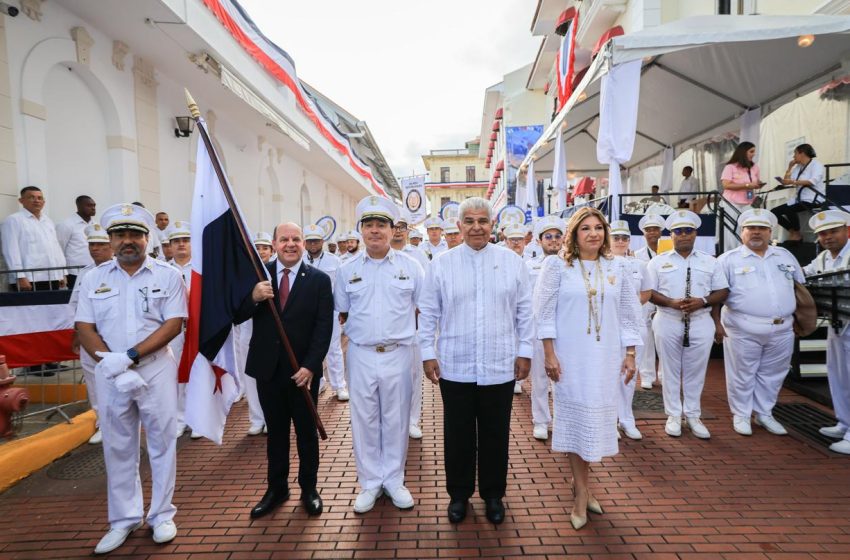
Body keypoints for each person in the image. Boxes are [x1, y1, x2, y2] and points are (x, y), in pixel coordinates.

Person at [75, 203, 186, 554]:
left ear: (147, 238)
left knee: (162, 442)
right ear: (109, 240)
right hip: (110, 372)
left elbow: (173, 323)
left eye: (135, 234)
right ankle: (123, 520)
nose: (128, 241)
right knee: (118, 446)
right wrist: (110, 362)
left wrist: (131, 356)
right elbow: (84, 326)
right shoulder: (94, 278)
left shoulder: (167, 275)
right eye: (120, 234)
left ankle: (161, 515)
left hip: (154, 368)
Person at [418, 197, 532, 525]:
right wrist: (428, 353)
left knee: (496, 434)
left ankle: (493, 495)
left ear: (492, 224)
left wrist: (525, 351)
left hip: (500, 364)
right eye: (469, 221)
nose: (476, 227)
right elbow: (428, 314)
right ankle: (459, 495)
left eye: (483, 220)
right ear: (459, 226)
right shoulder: (441, 264)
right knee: (458, 434)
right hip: (456, 364)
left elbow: (525, 311)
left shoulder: (512, 262)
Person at [534, 207, 641, 531]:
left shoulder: (617, 267)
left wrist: (631, 353)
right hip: (571, 360)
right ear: (574, 234)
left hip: (605, 359)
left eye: (599, 227)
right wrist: (550, 355)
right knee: (577, 423)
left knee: (595, 424)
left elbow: (628, 313)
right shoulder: (557, 266)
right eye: (586, 229)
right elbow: (544, 313)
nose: (593, 233)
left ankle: (583, 485)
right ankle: (581, 494)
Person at [235, 222, 333, 518]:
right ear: (275, 244)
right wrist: (253, 297)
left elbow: (323, 327)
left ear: (304, 243)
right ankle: (277, 489)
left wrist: (311, 366)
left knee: (306, 433)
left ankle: (309, 489)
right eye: (284, 239)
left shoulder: (318, 279)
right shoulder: (257, 274)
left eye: (296, 239)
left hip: (303, 372)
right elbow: (237, 314)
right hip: (269, 369)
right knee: (276, 433)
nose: (290, 244)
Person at [335, 196, 424, 513]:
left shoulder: (411, 267)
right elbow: (343, 311)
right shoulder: (346, 271)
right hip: (360, 353)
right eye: (369, 225)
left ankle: (394, 480)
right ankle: (370, 483)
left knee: (397, 419)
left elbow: (423, 309)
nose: (375, 230)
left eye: (381, 224)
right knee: (365, 420)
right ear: (361, 230)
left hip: (399, 353)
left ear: (392, 229)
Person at [715, 209, 802, 437]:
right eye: (750, 228)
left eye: (761, 228)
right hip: (743, 326)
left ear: (770, 232)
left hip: (782, 327)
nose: (756, 232)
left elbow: (800, 286)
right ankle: (741, 414)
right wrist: (715, 323)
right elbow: (716, 294)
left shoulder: (784, 256)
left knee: (774, 373)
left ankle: (764, 413)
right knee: (742, 373)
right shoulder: (728, 260)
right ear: (741, 232)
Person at [645, 210, 729, 440]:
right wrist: (671, 302)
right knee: (670, 370)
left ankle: (693, 414)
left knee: (696, 370)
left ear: (695, 234)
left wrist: (702, 301)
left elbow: (722, 290)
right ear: (670, 235)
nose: (683, 235)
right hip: (668, 319)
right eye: (678, 231)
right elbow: (649, 291)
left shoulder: (710, 261)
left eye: (688, 231)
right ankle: (673, 415)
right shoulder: (658, 262)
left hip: (701, 320)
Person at [803, 210, 850, 454]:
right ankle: (844, 423)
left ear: (847, 231)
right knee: (838, 373)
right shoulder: (823, 259)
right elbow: (802, 274)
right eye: (823, 234)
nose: (828, 237)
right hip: (836, 321)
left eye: (833, 231)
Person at [69, 223, 114, 445]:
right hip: (89, 336)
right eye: (92, 244)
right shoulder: (85, 273)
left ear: (111, 246)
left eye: (100, 245)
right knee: (94, 382)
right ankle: (102, 423)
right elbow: (75, 305)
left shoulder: (120, 271)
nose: (95, 248)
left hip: (113, 336)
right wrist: (76, 333)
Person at [525, 214, 567, 441]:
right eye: (548, 237)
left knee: (563, 379)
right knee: (540, 378)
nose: (553, 240)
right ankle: (541, 420)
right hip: (538, 330)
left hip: (566, 330)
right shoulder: (529, 266)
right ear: (539, 241)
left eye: (557, 236)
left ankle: (562, 420)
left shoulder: (572, 264)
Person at [609, 220, 650, 440]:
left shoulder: (639, 264)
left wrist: (630, 308)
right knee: (610, 375)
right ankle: (610, 420)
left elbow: (647, 292)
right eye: (616, 237)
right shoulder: (601, 263)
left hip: (633, 326)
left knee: (629, 375)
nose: (620, 241)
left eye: (625, 237)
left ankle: (626, 419)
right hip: (608, 328)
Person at [388, 215, 428, 439]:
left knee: (413, 377)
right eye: (394, 226)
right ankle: (395, 421)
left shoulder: (418, 256)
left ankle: (413, 420)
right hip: (388, 332)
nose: (398, 231)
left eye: (402, 227)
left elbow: (426, 292)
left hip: (413, 329)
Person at [302, 224, 348, 402]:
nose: (313, 244)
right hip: (305, 313)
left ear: (322, 241)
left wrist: (342, 310)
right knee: (309, 348)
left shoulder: (334, 261)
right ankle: (318, 382)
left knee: (333, 348)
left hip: (329, 311)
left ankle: (339, 386)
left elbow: (340, 288)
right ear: (305, 242)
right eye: (310, 241)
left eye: (316, 240)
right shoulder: (299, 260)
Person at [162, 221, 194, 438]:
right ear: (169, 246)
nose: (181, 245)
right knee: (176, 375)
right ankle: (180, 418)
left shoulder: (203, 268)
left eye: (185, 240)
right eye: (176, 241)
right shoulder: (162, 270)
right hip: (173, 329)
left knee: (199, 373)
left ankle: (198, 418)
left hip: (198, 328)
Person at [1, 186, 66, 291]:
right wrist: (20, 276)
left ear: (44, 202)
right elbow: (11, 251)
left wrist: (62, 273)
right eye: (31, 197)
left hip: (52, 276)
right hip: (29, 279)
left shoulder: (48, 221)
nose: (36, 201)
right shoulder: (13, 220)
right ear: (21, 200)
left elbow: (56, 248)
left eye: (40, 198)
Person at [634, 214, 665, 389]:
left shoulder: (669, 251)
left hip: (664, 299)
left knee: (663, 338)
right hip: (646, 299)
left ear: (661, 231)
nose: (652, 233)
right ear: (644, 233)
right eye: (648, 230)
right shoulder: (637, 255)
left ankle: (662, 375)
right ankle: (647, 375)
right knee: (645, 337)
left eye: (655, 229)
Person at [771, 143, 826, 237]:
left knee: (789, 210)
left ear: (802, 154)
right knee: (774, 212)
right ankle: (793, 231)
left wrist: (794, 181)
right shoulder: (798, 167)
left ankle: (796, 233)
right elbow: (786, 181)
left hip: (813, 199)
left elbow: (812, 182)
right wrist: (789, 168)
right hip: (799, 199)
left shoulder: (817, 165)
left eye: (795, 153)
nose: (793, 156)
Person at [720, 141, 762, 252]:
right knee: (730, 228)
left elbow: (755, 182)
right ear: (743, 152)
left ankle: (746, 251)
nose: (753, 154)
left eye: (754, 152)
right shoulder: (730, 167)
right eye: (751, 151)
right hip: (731, 202)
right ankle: (730, 252)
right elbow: (726, 185)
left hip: (748, 201)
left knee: (747, 227)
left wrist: (757, 184)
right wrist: (747, 185)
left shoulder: (755, 167)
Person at [56, 195, 96, 288]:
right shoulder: (67, 225)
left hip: (94, 271)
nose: (93, 208)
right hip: (75, 273)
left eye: (94, 205)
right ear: (79, 206)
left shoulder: (95, 225)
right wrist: (61, 273)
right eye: (89, 205)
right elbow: (59, 249)